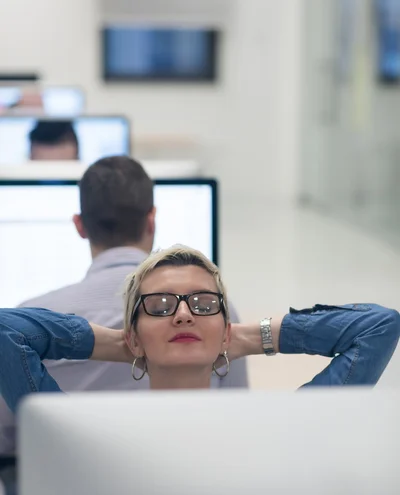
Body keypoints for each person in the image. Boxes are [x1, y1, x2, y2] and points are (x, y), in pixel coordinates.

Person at [0, 157, 248, 450]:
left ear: (80, 225)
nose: (182, 316)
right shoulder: (215, 312)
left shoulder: (29, 330)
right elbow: (236, 418)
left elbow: (8, 439)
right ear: (152, 220)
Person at [0, 245, 399, 412]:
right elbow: (6, 331)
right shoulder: (79, 433)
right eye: (159, 306)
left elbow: (378, 326)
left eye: (204, 304)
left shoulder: (279, 427)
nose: (184, 315)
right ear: (133, 335)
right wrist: (116, 344)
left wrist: (246, 337)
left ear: (226, 331)